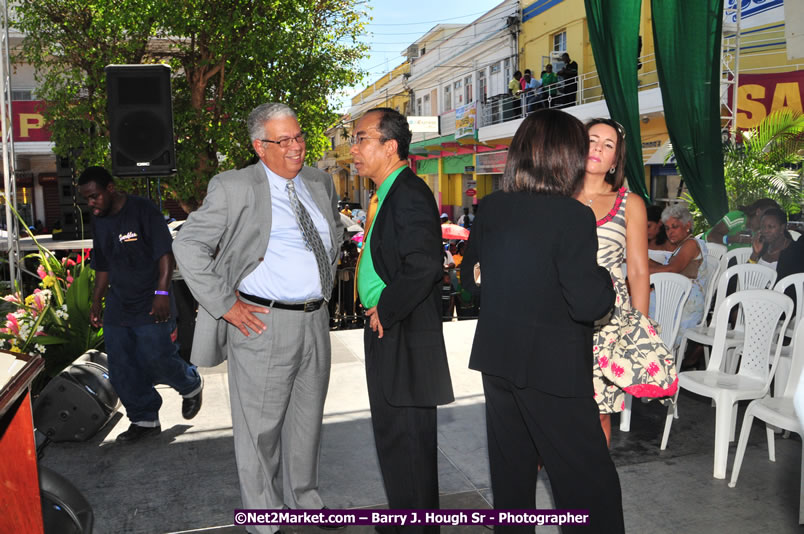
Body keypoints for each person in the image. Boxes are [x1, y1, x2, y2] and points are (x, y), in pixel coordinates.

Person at [172, 102, 343, 531]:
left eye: (299, 137)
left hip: (314, 320)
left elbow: (334, 235)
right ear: (259, 146)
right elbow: (188, 244)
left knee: (307, 424)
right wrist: (225, 303)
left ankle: (307, 503)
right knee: (259, 433)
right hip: (261, 323)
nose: (296, 148)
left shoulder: (320, 183)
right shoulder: (234, 186)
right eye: (283, 141)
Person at [461, 109, 623, 533]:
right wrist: (605, 278)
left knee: (512, 481)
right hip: (553, 371)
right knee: (590, 488)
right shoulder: (571, 216)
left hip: (498, 362)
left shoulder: (492, 207)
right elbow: (589, 304)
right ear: (563, 157)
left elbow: (469, 279)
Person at [351, 107, 454, 524]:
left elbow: (425, 263)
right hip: (389, 328)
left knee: (408, 444)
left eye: (360, 139)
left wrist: (387, 309)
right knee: (394, 440)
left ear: (389, 146)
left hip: (402, 331)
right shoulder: (386, 192)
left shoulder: (409, 192)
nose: (352, 149)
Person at [78, 166, 203, 443]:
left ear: (110, 188)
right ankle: (144, 418)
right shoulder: (99, 220)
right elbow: (103, 264)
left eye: (94, 196)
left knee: (157, 357)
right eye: (86, 199)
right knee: (122, 365)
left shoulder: (142, 210)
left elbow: (165, 255)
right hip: (119, 304)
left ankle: (190, 384)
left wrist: (161, 294)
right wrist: (97, 301)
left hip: (151, 300)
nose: (91, 203)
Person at [577, 118, 675, 445]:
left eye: (609, 145)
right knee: (548, 406)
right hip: (557, 312)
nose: (598, 149)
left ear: (616, 159)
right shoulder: (556, 196)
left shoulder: (629, 203)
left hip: (606, 319)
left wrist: (639, 327)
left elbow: (637, 271)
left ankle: (594, 489)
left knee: (598, 409)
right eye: (593, 140)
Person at [649, 203, 710, 351]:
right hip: (679, 296)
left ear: (687, 225)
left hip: (686, 302)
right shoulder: (681, 245)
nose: (670, 232)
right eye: (667, 228)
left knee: (640, 303)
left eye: (675, 226)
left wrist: (642, 270)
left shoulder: (691, 244)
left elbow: (671, 269)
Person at [703, 198, 780, 250]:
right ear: (758, 211)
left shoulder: (765, 231)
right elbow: (711, 236)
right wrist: (732, 239)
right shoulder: (738, 217)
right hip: (706, 250)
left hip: (730, 260)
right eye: (768, 213)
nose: (771, 218)